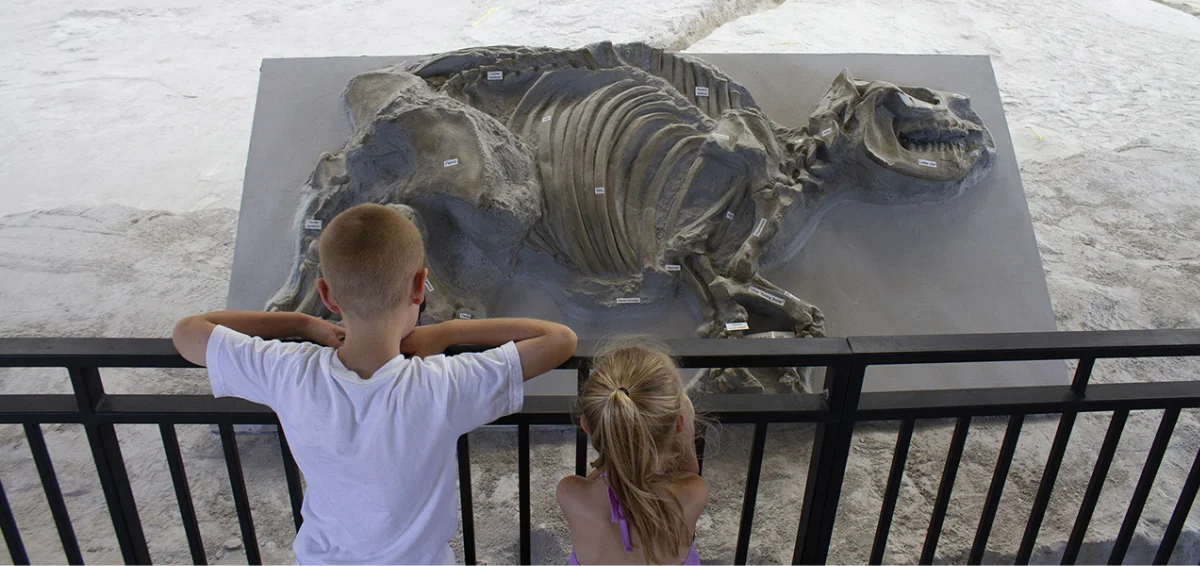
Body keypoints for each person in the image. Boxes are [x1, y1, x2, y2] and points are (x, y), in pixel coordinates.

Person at [172, 203, 577, 564]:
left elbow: (189, 332)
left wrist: (300, 322)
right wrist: (448, 332)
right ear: (419, 287)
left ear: (328, 295)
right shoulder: (442, 386)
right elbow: (559, 340)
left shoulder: (287, 372)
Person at [557, 341, 707, 565]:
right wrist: (684, 422)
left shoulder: (570, 494)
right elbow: (689, 472)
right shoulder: (692, 495)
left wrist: (613, 454)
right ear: (679, 425)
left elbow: (604, 481)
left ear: (586, 427)